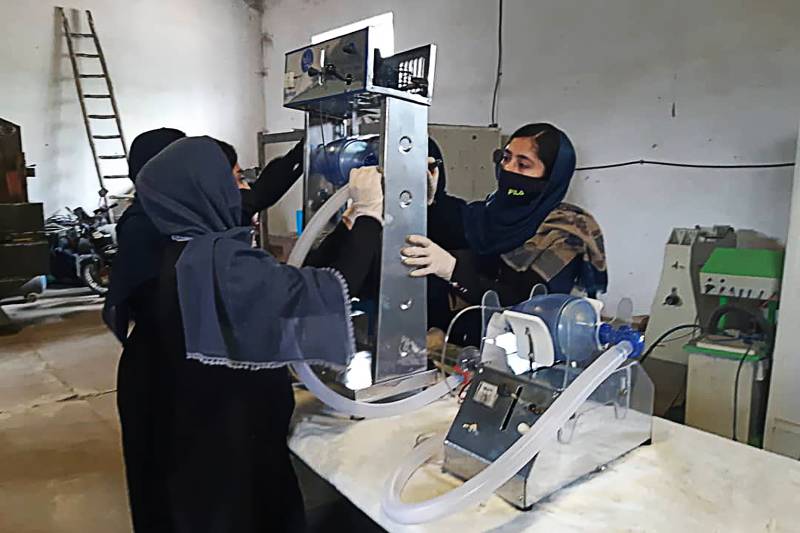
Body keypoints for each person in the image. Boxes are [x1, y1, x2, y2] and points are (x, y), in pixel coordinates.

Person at [114, 135, 371, 532]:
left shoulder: (185, 251)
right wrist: (371, 216)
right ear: (204, 187)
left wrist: (347, 229)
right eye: (236, 179)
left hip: (185, 423)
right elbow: (318, 291)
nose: (247, 190)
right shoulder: (219, 262)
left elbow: (282, 285)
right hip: (221, 440)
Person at [402, 123, 607, 342]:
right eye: (506, 158)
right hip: (458, 342)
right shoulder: (490, 214)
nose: (509, 170)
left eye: (523, 164)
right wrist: (431, 201)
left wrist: (453, 269)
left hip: (519, 349)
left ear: (552, 175)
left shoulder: (564, 233)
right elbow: (455, 224)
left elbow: (524, 302)